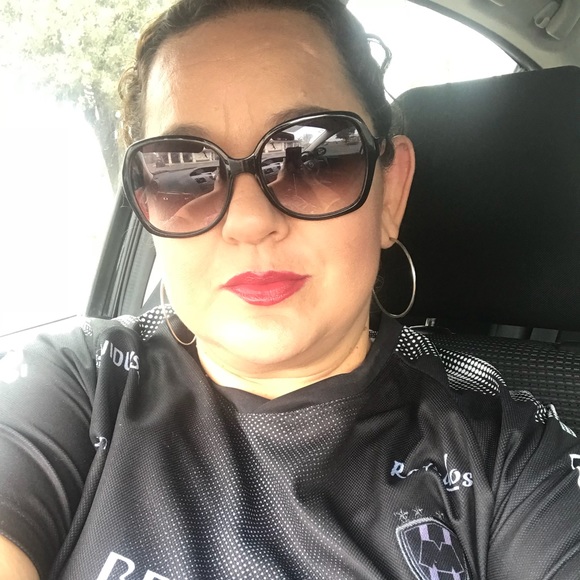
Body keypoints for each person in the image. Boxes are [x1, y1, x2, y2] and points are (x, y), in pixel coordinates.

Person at [1, 0, 579, 578]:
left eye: (313, 158)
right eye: (183, 172)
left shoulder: (510, 456)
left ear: (391, 194)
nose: (249, 220)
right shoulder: (74, 383)